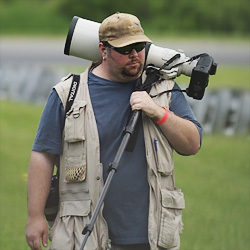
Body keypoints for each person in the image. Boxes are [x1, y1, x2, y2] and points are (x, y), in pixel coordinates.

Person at [25, 12, 202, 250]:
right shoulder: (68, 93)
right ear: (103, 50)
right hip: (84, 233)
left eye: (139, 47)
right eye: (124, 49)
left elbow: (192, 144)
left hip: (151, 234)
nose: (134, 55)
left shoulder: (163, 88)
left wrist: (159, 113)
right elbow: (43, 155)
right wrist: (35, 216)